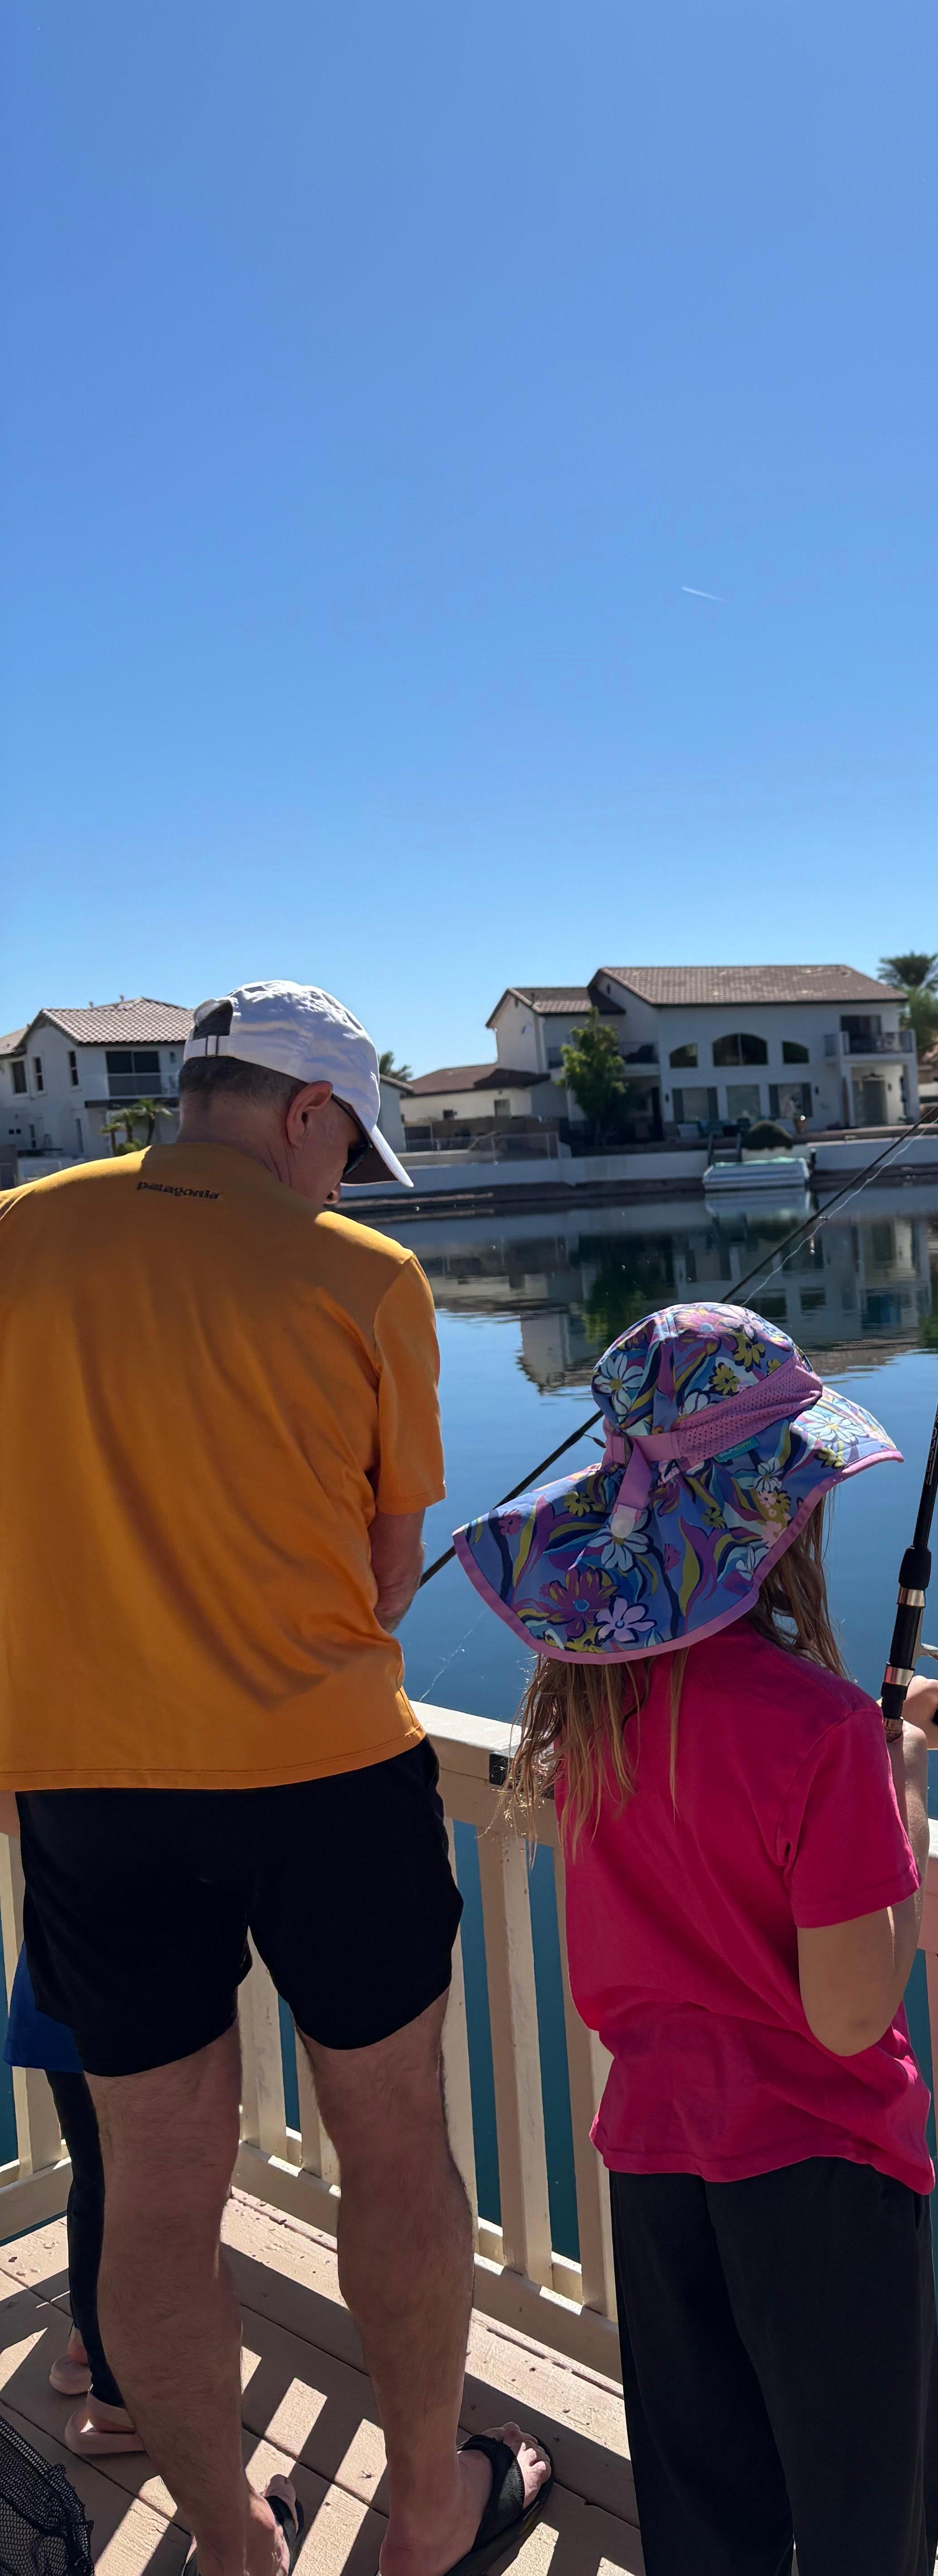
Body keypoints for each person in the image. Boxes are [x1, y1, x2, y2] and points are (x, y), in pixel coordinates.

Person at [0, 981, 550, 2576]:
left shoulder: (18, 1239)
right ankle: (432, 2514)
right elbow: (386, 1577)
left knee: (159, 2190)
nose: (343, 1183)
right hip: (325, 1780)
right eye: (346, 1148)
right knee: (392, 2146)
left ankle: (237, 2546)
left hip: (91, 1796)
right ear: (306, 1111)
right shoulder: (365, 1276)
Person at [453, 1302, 938, 2576]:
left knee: (708, 2522)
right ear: (774, 1517)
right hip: (825, 2183)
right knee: (865, 2530)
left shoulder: (597, 1708)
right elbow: (848, 2012)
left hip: (657, 2162)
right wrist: (899, 1763)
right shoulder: (824, 1735)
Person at [0, 1939, 142, 2457]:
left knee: (97, 2183)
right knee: (131, 2195)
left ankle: (89, 2342)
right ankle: (118, 2399)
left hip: (58, 1985)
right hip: (117, 2000)